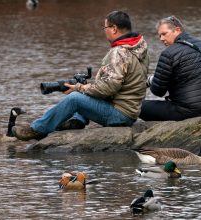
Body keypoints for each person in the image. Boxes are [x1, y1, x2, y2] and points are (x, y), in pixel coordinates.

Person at [12, 11, 149, 141]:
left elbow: (109, 88)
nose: (104, 30)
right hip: (131, 111)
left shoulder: (119, 52)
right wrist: (86, 87)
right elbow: (118, 86)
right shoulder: (139, 48)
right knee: (85, 93)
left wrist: (78, 87)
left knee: (74, 99)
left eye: (105, 27)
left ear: (114, 29)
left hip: (121, 115)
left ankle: (37, 130)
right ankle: (77, 121)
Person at [139, 15, 201, 121]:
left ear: (177, 30)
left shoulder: (169, 53)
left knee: (138, 107)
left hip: (190, 111)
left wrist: (151, 80)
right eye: (159, 36)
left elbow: (158, 91)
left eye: (164, 34)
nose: (161, 39)